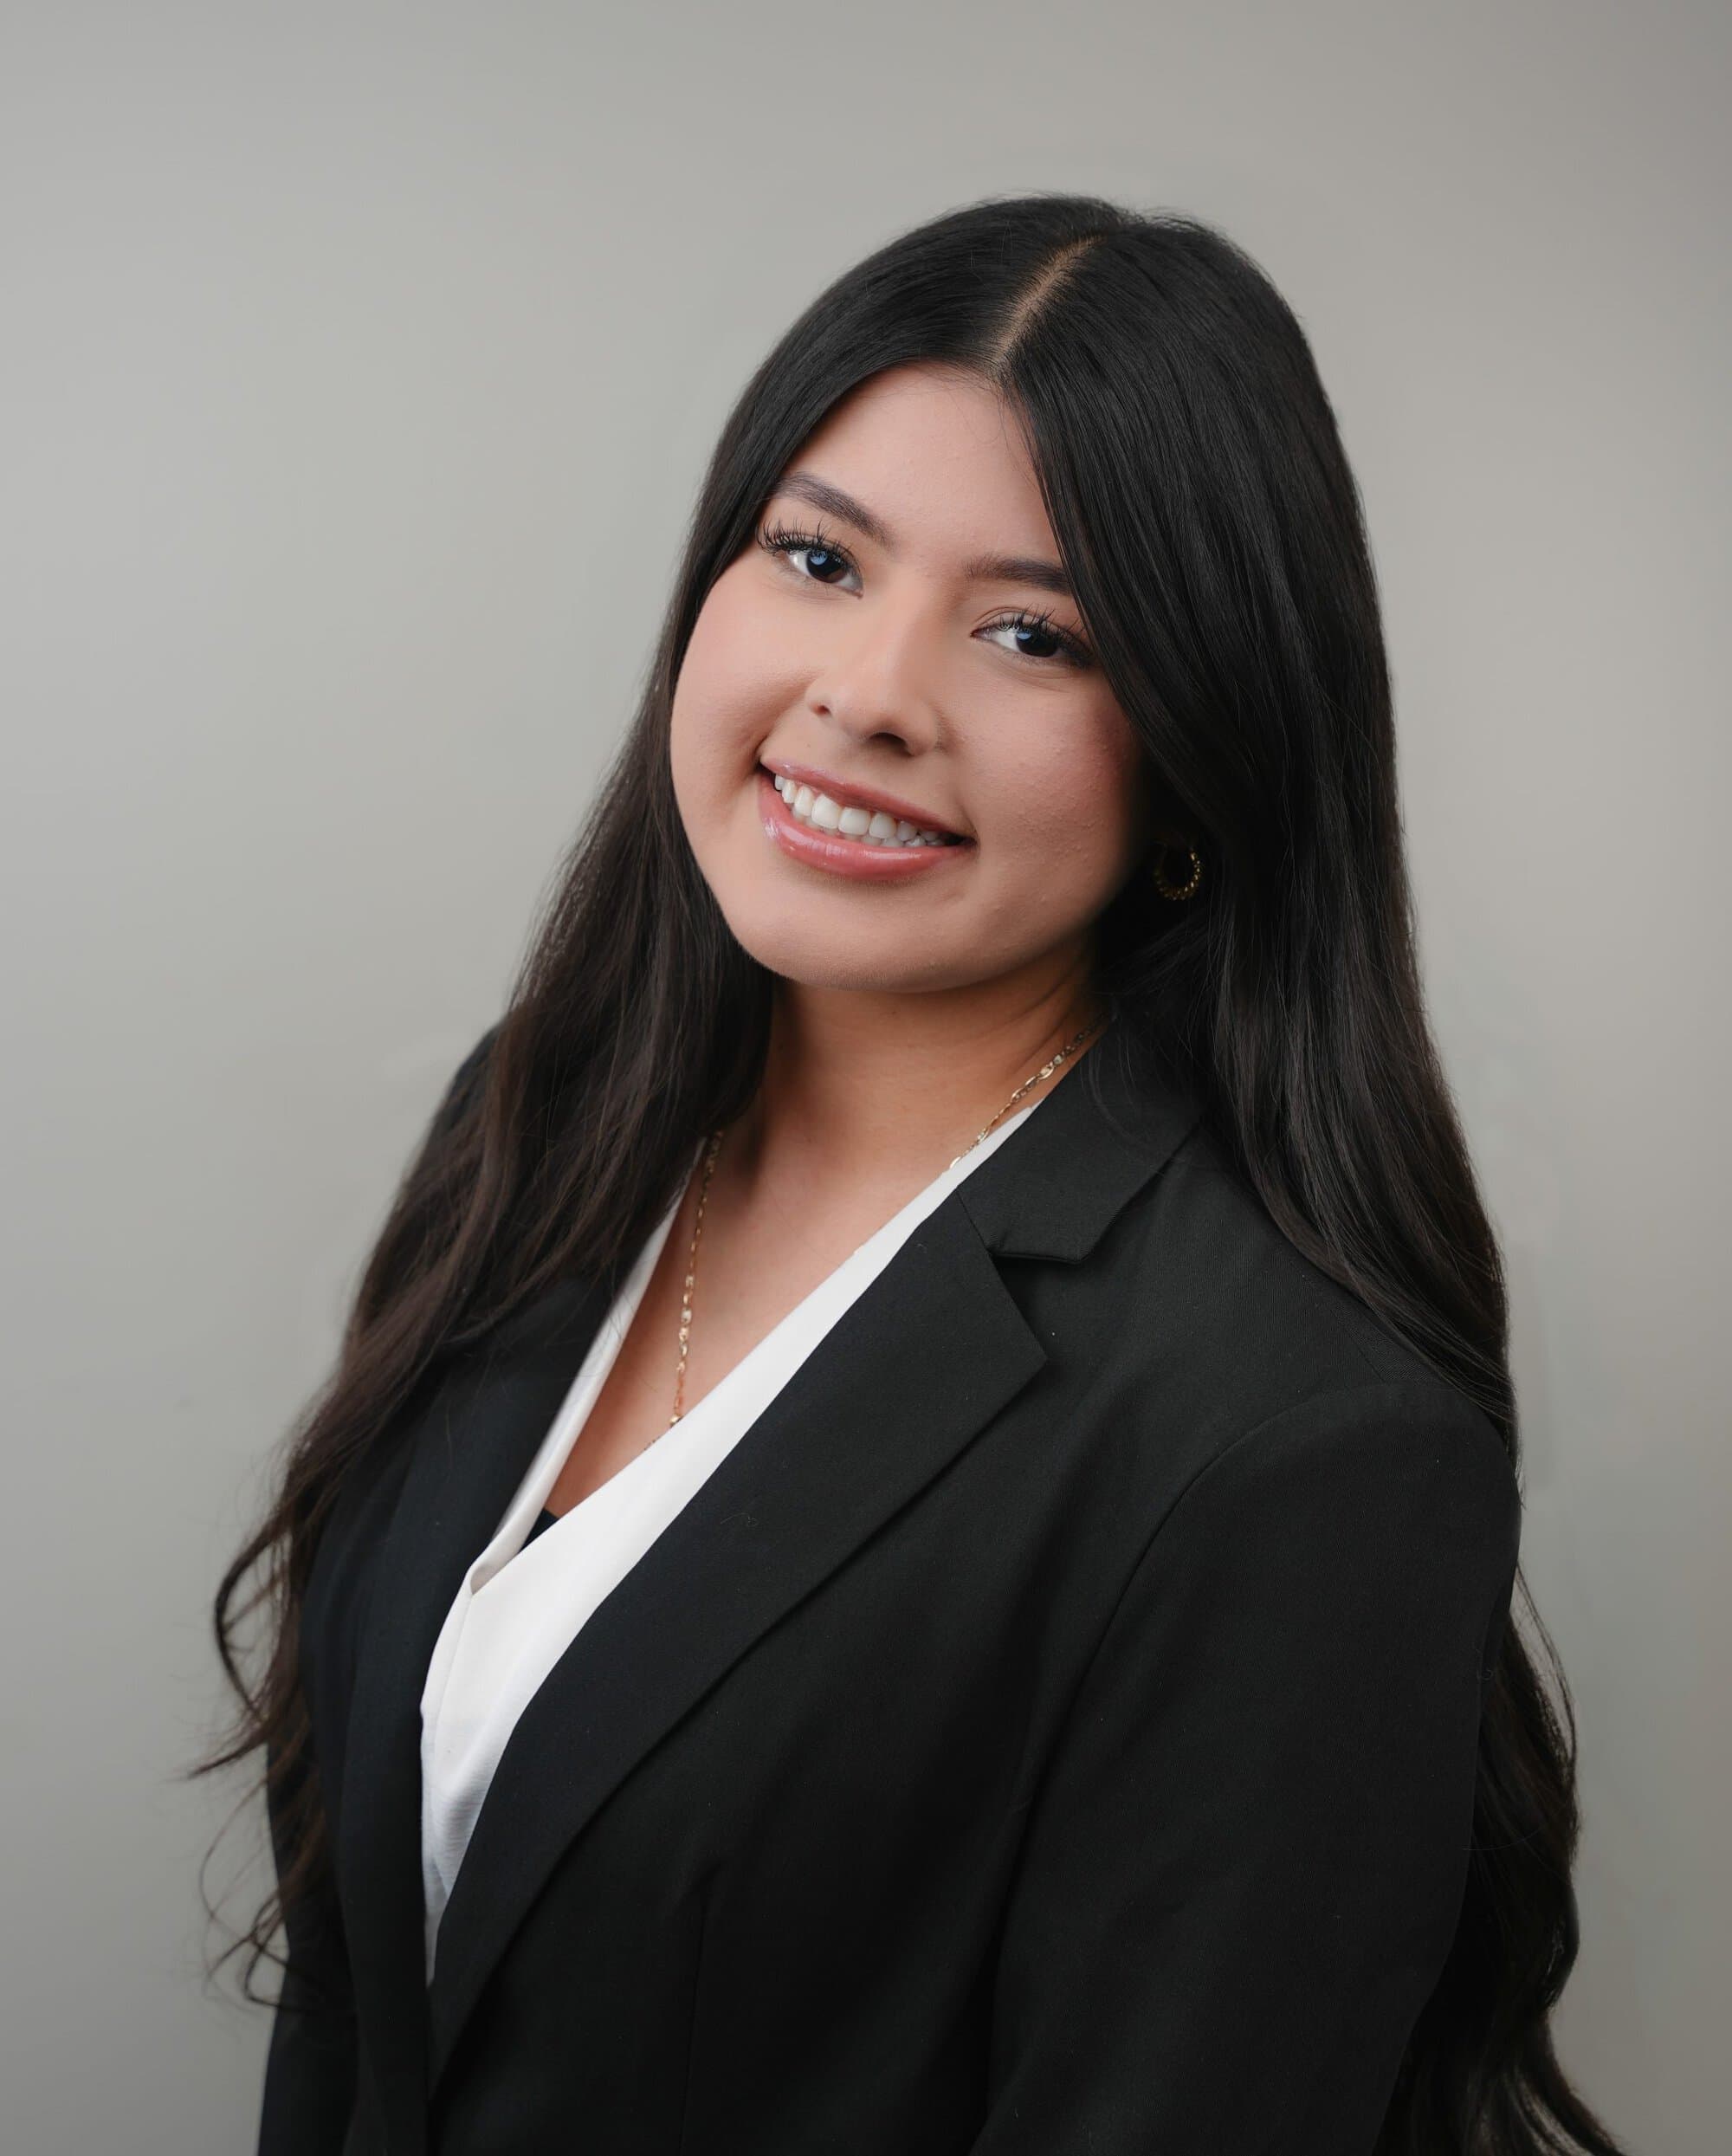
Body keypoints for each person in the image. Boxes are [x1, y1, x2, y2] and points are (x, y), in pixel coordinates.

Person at [201, 194, 1625, 2155]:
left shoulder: (1295, 1444)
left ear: (1202, 749)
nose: (870, 690)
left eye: (1032, 632)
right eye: (816, 556)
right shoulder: (542, 1126)